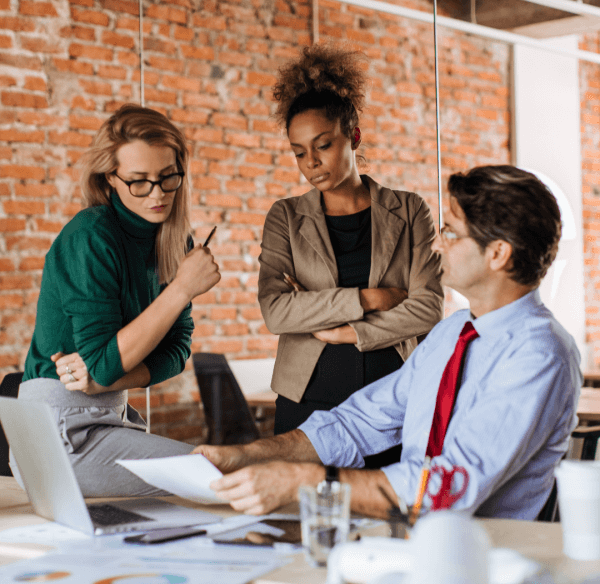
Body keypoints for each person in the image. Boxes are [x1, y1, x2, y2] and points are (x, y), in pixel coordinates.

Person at [194, 165, 582, 520]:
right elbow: (358, 423)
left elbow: (448, 488)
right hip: (412, 544)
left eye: (450, 232)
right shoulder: (453, 333)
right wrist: (247, 455)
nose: (436, 245)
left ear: (497, 253)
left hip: (483, 560)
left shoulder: (538, 353)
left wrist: (302, 481)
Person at [16, 104, 221, 497]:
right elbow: (104, 364)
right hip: (56, 431)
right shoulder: (91, 235)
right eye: (139, 181)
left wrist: (108, 379)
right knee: (213, 478)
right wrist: (181, 289)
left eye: (168, 177)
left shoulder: (176, 242)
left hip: (109, 415)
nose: (157, 194)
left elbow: (177, 352)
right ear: (110, 177)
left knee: (218, 478)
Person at [259, 45, 444, 467]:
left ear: (353, 135)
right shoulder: (285, 217)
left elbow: (429, 307)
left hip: (394, 393)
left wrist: (347, 331)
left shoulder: (409, 208)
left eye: (323, 145)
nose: (311, 163)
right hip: (307, 395)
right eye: (299, 151)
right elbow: (276, 312)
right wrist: (367, 299)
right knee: (307, 516)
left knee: (392, 514)